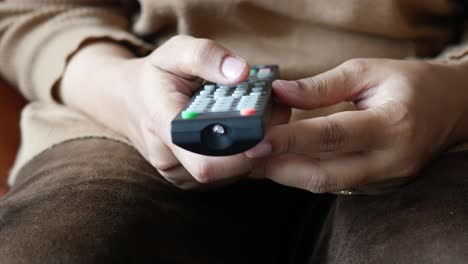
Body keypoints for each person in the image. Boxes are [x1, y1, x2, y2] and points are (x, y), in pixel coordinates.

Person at [0, 0, 467, 263]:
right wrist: (121, 89)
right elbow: (29, 11)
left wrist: (455, 93)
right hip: (135, 109)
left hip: (425, 121)